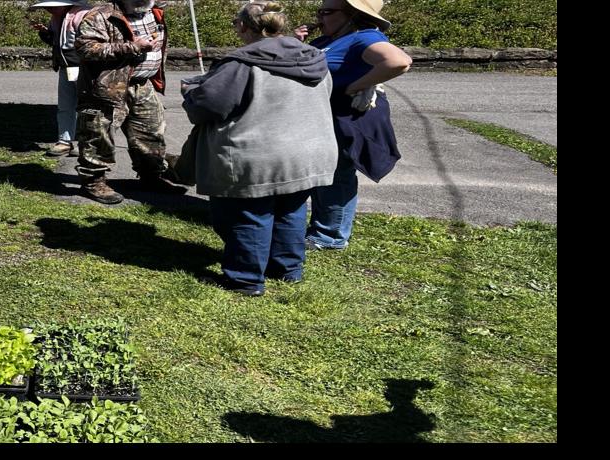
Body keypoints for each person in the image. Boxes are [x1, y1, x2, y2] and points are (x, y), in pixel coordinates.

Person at [183, 2, 334, 296]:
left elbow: (209, 107)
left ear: (242, 26)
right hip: (309, 152)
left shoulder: (241, 63)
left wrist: (192, 94)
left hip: (257, 154)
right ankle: (287, 269)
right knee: (290, 210)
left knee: (247, 215)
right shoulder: (314, 58)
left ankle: (245, 279)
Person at [300, 0, 410, 251]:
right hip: (329, 116)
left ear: (352, 15)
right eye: (319, 11)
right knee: (325, 173)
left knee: (336, 175)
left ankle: (330, 237)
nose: (320, 17)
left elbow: (398, 61)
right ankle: (323, 229)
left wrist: (354, 86)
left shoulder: (364, 37)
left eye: (327, 12)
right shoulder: (332, 38)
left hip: (348, 118)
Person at [73, 0, 181, 204]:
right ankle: (94, 182)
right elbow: (85, 49)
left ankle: (152, 177)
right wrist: (132, 47)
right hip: (107, 86)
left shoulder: (154, 10)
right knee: (98, 134)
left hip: (143, 84)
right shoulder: (101, 14)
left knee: (150, 134)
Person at [29, 0, 91, 157]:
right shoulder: (57, 17)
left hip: (82, 68)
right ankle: (65, 141)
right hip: (65, 67)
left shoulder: (84, 14)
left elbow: (91, 43)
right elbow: (56, 41)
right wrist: (45, 33)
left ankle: (84, 143)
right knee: (65, 105)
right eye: (47, 7)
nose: (49, 10)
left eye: (52, 6)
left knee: (85, 106)